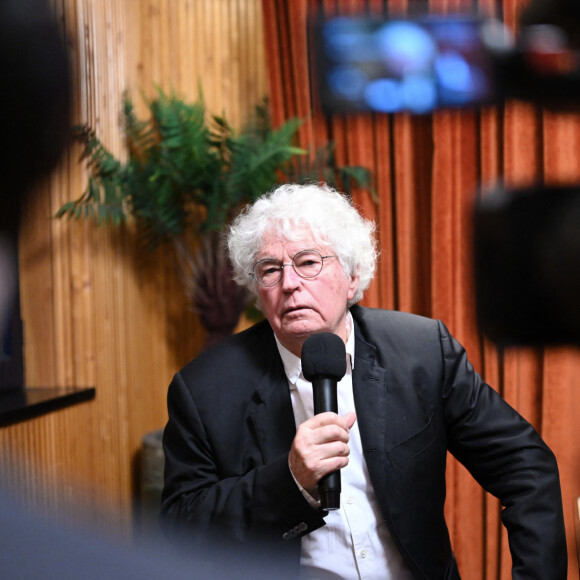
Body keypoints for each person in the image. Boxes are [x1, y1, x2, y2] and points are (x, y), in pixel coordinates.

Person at [160, 182, 567, 579]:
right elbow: (180, 529)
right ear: (256, 288)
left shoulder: (422, 352)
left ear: (353, 277)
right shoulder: (203, 391)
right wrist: (290, 481)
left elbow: (526, 467)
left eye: (308, 262)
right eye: (270, 269)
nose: (289, 284)